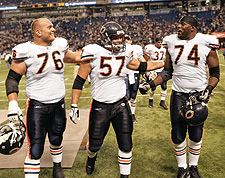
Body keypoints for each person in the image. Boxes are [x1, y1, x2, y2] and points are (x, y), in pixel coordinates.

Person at [69, 21, 164, 178]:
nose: (119, 40)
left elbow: (142, 66)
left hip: (120, 104)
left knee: (126, 143)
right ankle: (91, 159)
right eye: (115, 37)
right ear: (105, 38)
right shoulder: (93, 52)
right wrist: (73, 105)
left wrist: (165, 64)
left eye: (121, 37)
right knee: (94, 145)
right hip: (100, 106)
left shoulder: (125, 53)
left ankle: (124, 176)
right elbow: (79, 81)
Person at [141, 16, 220, 177]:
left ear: (192, 28)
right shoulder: (170, 41)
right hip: (178, 95)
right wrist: (151, 84)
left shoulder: (206, 42)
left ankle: (193, 166)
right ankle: (182, 167)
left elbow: (215, 73)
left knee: (196, 133)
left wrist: (208, 89)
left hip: (198, 95)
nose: (178, 26)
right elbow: (167, 72)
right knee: (178, 133)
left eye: (182, 24)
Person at [5, 18, 81, 178]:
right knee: (35, 148)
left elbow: (72, 57)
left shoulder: (60, 45)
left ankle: (57, 168)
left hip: (58, 103)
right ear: (38, 32)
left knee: (57, 138)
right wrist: (12, 104)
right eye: (49, 27)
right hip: (37, 106)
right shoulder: (25, 50)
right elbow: (12, 79)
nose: (53, 29)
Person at [124, 34, 145, 123]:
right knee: (126, 96)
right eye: (125, 40)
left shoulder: (137, 48)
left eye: (128, 40)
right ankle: (127, 114)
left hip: (135, 73)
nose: (126, 41)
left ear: (131, 41)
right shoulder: (120, 49)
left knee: (133, 96)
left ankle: (132, 114)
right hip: (125, 74)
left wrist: (147, 72)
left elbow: (142, 60)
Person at [143, 37, 168, 110]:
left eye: (161, 42)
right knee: (153, 87)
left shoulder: (164, 48)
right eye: (159, 42)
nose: (160, 44)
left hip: (161, 69)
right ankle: (150, 100)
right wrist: (146, 70)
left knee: (164, 86)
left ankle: (162, 101)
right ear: (155, 42)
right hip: (153, 69)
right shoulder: (150, 48)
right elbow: (145, 59)